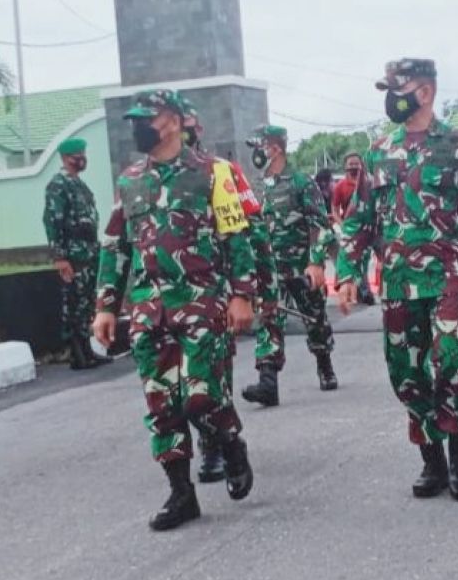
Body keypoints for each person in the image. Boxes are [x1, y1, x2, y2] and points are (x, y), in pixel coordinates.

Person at [336, 58, 458, 501]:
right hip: (396, 280)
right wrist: (347, 273)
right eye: (389, 88)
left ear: (426, 91)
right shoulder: (378, 151)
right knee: (406, 373)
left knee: (452, 361)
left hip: (448, 275)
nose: (391, 97)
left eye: (400, 87)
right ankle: (431, 459)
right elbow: (359, 219)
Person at [93, 89, 257, 532]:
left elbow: (236, 236)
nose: (138, 126)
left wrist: (242, 294)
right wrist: (106, 307)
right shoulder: (129, 181)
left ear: (174, 120)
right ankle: (181, 494)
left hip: (201, 304)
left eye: (148, 117)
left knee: (202, 395)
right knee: (162, 404)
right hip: (149, 310)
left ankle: (229, 440)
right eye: (136, 119)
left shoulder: (212, 174)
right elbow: (114, 248)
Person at [181, 98, 268, 485]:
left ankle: (216, 445)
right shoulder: (142, 177)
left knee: (211, 378)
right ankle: (207, 443)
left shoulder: (221, 172)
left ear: (195, 130)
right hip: (164, 302)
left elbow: (247, 228)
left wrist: (249, 288)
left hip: (210, 296)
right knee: (173, 386)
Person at [241, 124, 338, 407]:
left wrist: (315, 262)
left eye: (259, 146)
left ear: (275, 147)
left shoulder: (300, 182)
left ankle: (324, 363)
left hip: (299, 266)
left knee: (315, 317)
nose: (256, 153)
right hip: (270, 269)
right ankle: (267, 382)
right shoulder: (259, 187)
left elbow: (320, 225)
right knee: (269, 318)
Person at [42, 137, 108, 369]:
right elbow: (52, 221)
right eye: (76, 156)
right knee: (74, 305)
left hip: (88, 253)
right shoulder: (58, 185)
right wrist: (59, 257)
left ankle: (87, 350)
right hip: (73, 255)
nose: (81, 159)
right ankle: (77, 354)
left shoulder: (79, 185)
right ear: (65, 158)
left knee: (87, 303)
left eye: (83, 154)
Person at [332, 152, 377, 305]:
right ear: (345, 167)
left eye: (356, 164)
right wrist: (342, 224)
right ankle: (356, 291)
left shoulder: (369, 184)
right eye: (350, 164)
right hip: (350, 229)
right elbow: (334, 208)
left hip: (367, 228)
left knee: (364, 260)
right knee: (349, 260)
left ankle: (364, 291)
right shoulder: (340, 186)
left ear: (361, 165)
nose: (354, 167)